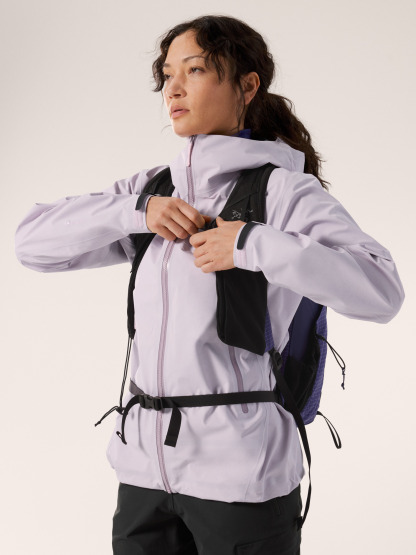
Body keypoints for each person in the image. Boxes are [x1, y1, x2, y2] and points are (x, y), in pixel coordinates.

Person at [15, 14, 404, 555]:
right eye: (167, 75)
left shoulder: (283, 193)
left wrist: (252, 244)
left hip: (241, 477)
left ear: (247, 84)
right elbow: (31, 244)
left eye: (194, 70)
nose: (173, 89)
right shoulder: (155, 191)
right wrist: (135, 211)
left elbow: (382, 291)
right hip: (144, 475)